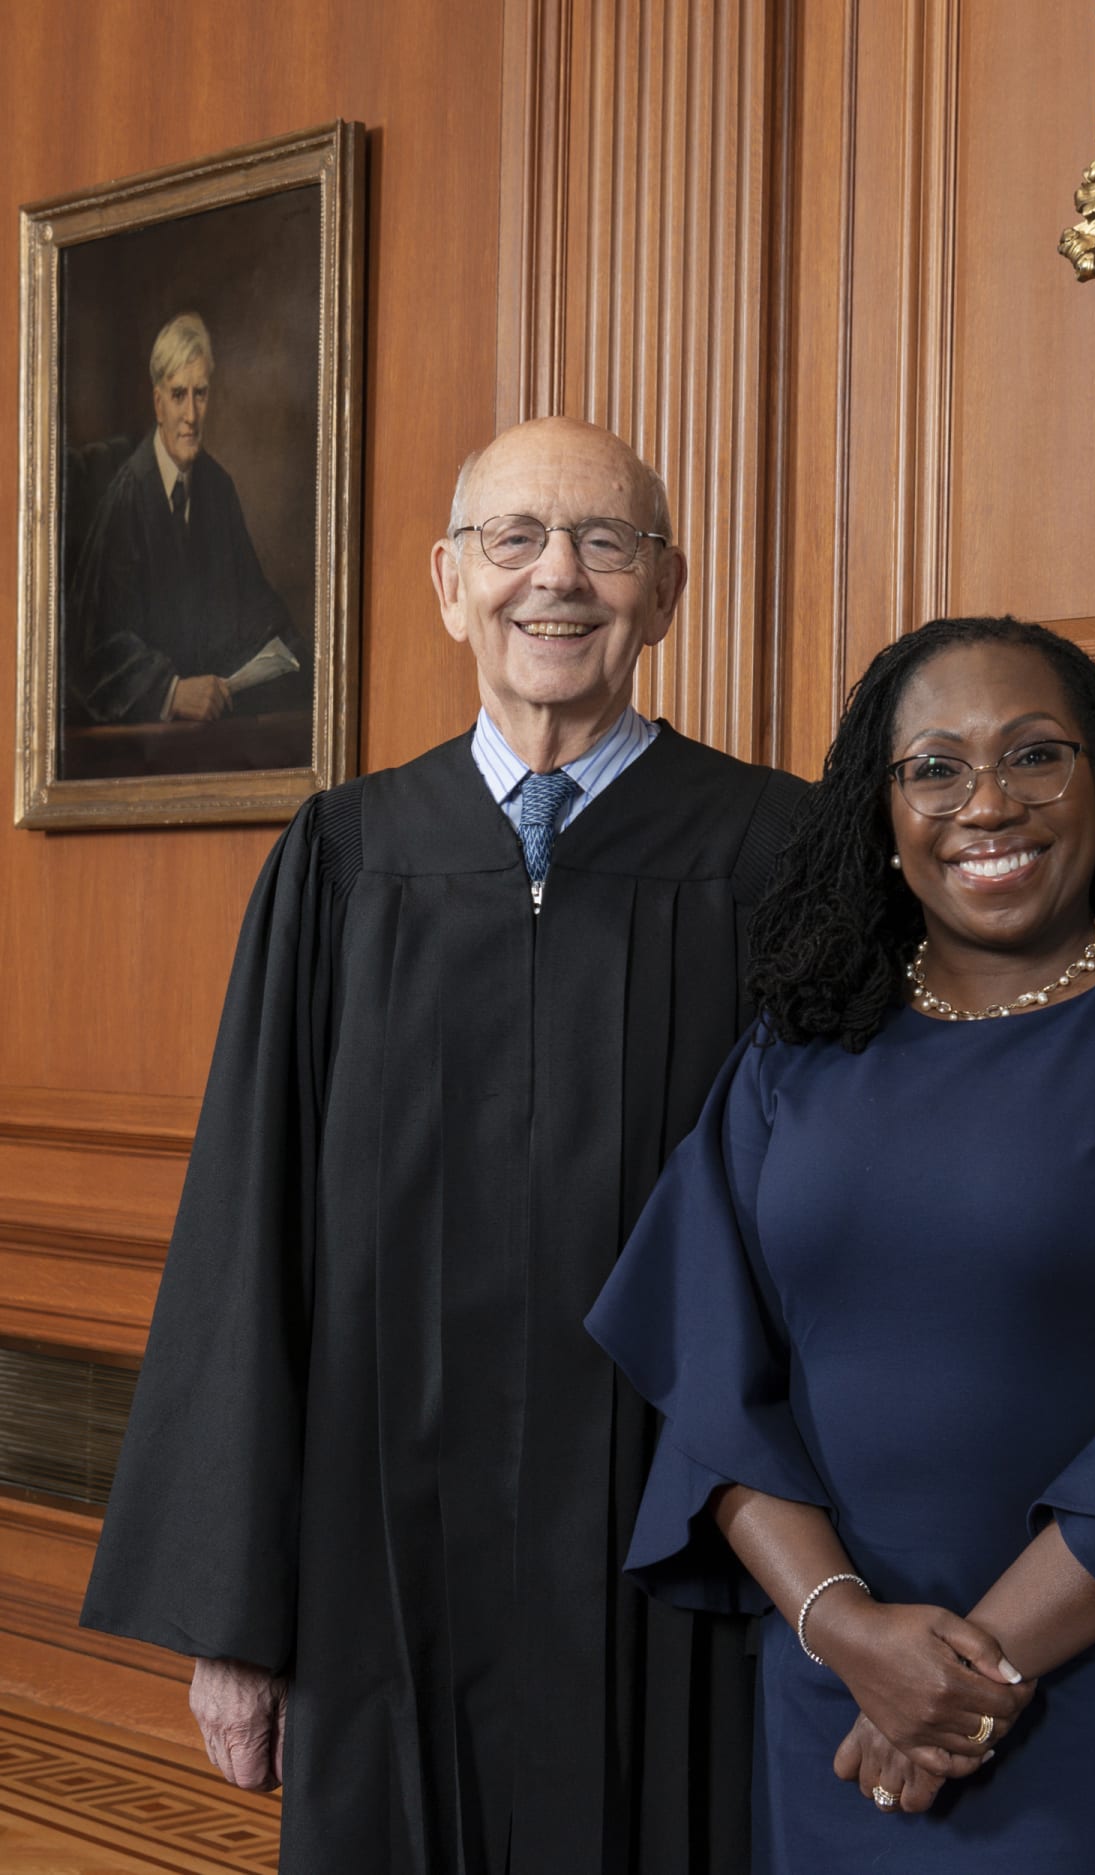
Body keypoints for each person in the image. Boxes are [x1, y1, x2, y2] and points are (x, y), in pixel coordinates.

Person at [81, 416, 804, 1874]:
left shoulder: (776, 859)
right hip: (381, 1558)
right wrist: (236, 1619)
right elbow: (247, 1237)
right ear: (448, 582)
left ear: (666, 590)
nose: (560, 578)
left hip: (682, 1552)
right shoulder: (345, 860)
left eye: (607, 542)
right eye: (516, 539)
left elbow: (848, 1241)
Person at [587, 615, 1095, 1873]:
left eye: (1035, 757)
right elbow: (709, 1383)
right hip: (832, 1693)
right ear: (882, 811)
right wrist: (848, 1630)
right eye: (936, 768)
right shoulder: (792, 1056)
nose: (988, 805)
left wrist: (970, 1677)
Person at [66, 311, 299, 725]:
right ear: (158, 403)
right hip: (140, 742)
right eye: (178, 396)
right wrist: (171, 691)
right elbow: (95, 644)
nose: (191, 415)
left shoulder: (218, 489)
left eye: (201, 394)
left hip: (211, 728)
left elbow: (250, 605)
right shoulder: (129, 494)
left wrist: (290, 648)